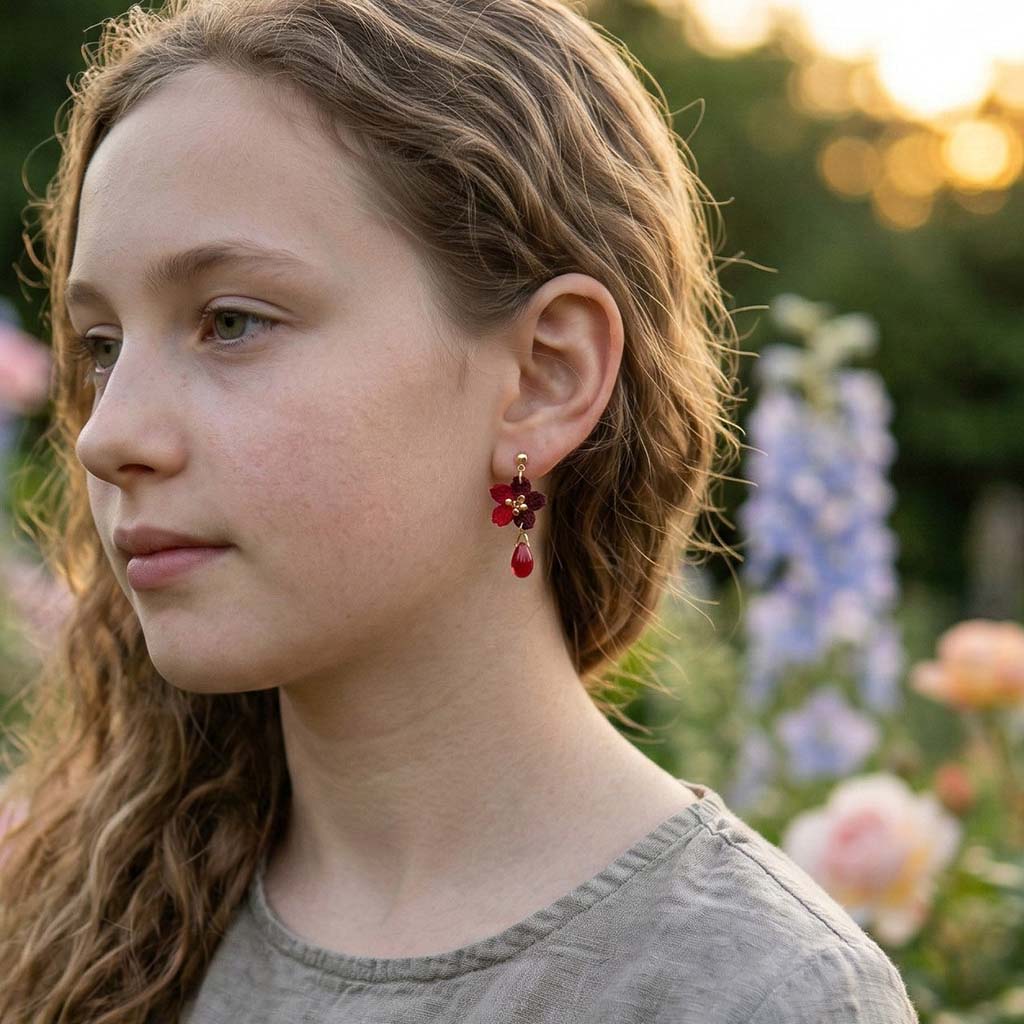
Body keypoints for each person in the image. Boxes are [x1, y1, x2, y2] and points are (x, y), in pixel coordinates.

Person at [0, 0, 919, 1020]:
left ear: (543, 376)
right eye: (102, 345)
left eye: (231, 322)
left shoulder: (747, 991)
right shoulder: (78, 925)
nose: (106, 434)